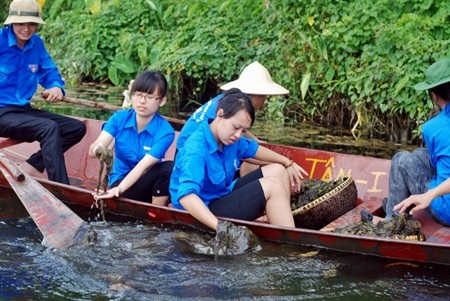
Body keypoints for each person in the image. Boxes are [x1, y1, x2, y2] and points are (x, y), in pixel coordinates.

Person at [170, 88, 304, 231]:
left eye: (244, 131)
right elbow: (187, 197)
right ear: (220, 115)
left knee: (277, 170)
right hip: (203, 210)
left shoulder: (229, 139)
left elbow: (254, 150)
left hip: (221, 194)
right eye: (235, 127)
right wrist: (220, 227)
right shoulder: (195, 149)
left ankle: (277, 218)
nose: (238, 135)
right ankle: (289, 240)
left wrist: (287, 162)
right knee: (274, 185)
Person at [0, 0, 86, 185]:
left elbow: (49, 72)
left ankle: (33, 164)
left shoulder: (36, 44)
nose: (26, 28)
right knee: (48, 127)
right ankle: (62, 189)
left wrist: (55, 86)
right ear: (11, 22)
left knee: (76, 128)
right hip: (1, 112)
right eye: (21, 23)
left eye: (31, 24)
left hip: (23, 110)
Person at [176, 61, 301, 176]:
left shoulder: (229, 102)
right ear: (254, 95)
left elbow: (239, 130)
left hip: (203, 150)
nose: (264, 100)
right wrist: (278, 161)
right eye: (263, 96)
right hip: (189, 158)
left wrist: (257, 141)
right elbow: (242, 150)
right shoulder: (222, 116)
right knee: (253, 161)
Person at [90, 70, 175, 206]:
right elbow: (95, 148)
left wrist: (119, 189)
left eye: (149, 97)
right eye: (138, 95)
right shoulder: (119, 118)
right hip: (120, 183)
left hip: (145, 185)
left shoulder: (166, 132)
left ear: (162, 101)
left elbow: (143, 166)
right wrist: (98, 149)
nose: (142, 101)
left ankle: (156, 214)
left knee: (171, 168)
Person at [383, 58, 450, 226]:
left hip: (446, 210)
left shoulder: (432, 127)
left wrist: (430, 194)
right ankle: (400, 204)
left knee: (401, 160)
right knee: (420, 154)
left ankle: (392, 221)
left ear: (434, 96)